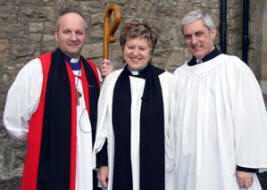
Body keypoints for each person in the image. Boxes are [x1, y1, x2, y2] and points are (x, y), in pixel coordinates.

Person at [3, 7, 113, 190]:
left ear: (85, 36)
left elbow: (104, 119)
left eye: (79, 32)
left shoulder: (93, 71)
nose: (73, 38)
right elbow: (14, 121)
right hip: (51, 163)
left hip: (86, 163)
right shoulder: (37, 70)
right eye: (67, 32)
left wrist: (111, 79)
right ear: (56, 35)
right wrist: (44, 138)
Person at [174, 9, 267, 190]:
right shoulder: (180, 75)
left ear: (213, 32)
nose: (194, 41)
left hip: (225, 165)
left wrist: (246, 166)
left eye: (199, 34)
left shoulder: (233, 68)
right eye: (188, 36)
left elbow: (251, 117)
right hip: (188, 166)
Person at [93, 20, 176, 190]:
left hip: (157, 166)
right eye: (131, 47)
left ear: (150, 51)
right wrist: (103, 164)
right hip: (120, 166)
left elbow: (176, 129)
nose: (135, 53)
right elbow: (102, 128)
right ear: (123, 48)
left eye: (142, 48)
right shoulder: (112, 81)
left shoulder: (167, 82)